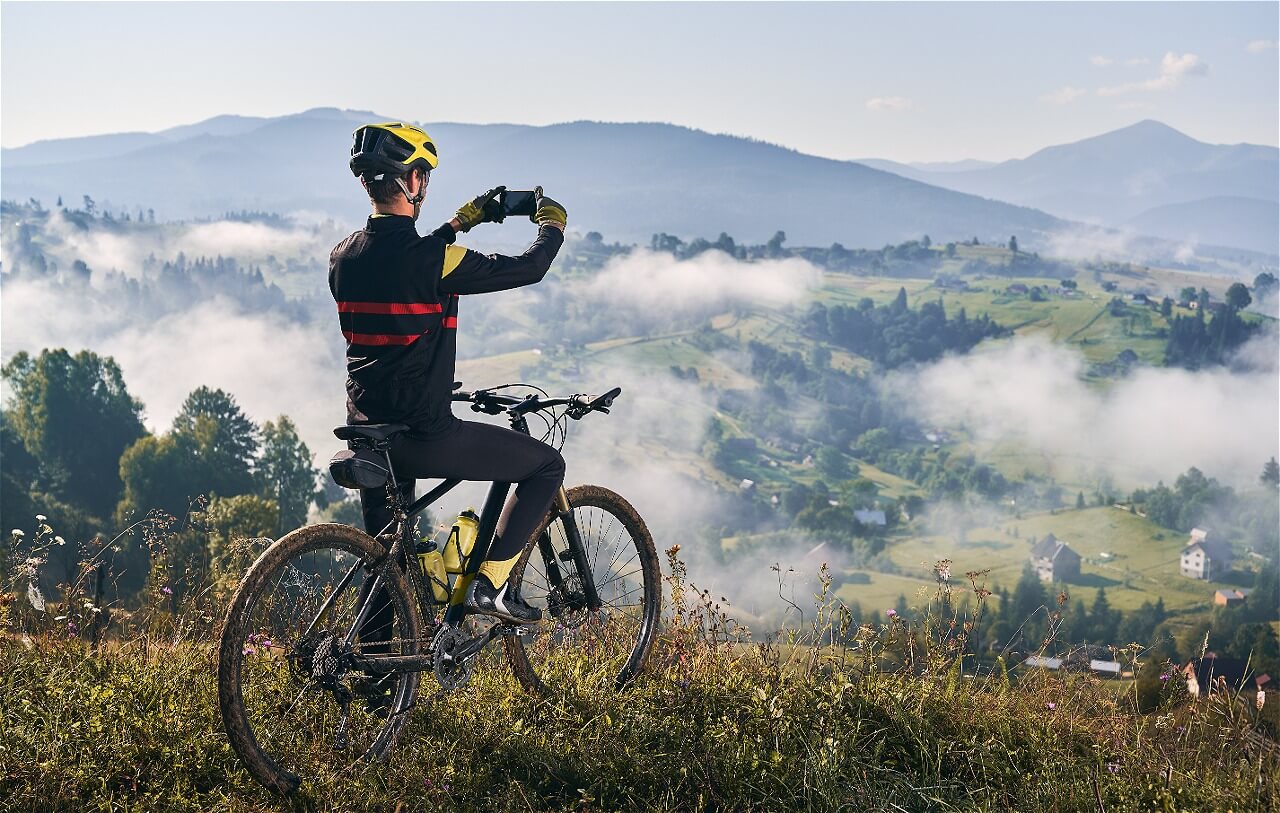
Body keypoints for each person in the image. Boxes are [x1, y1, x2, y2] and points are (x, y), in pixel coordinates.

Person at [330, 122, 567, 623]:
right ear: (412, 183)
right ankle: (492, 586)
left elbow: (402, 262)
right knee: (547, 466)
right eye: (424, 177)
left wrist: (462, 223)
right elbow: (527, 269)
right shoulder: (434, 262)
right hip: (423, 434)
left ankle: (377, 686)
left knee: (384, 577)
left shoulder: (343, 258)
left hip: (367, 435)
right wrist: (552, 227)